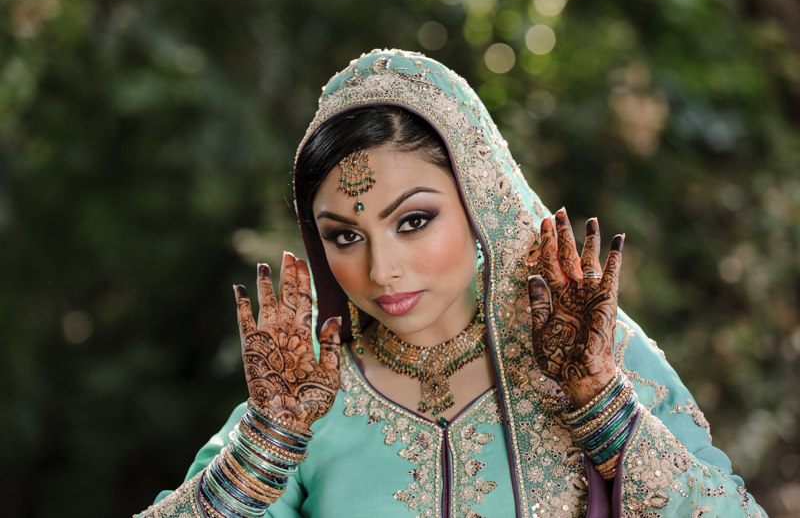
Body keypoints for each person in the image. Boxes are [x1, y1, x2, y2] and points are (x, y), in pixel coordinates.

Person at [135, 49, 766, 518]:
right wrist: (268, 443)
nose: (381, 270)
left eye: (414, 221)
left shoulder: (595, 360)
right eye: (345, 237)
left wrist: (601, 402)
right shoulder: (307, 404)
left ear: (481, 204)